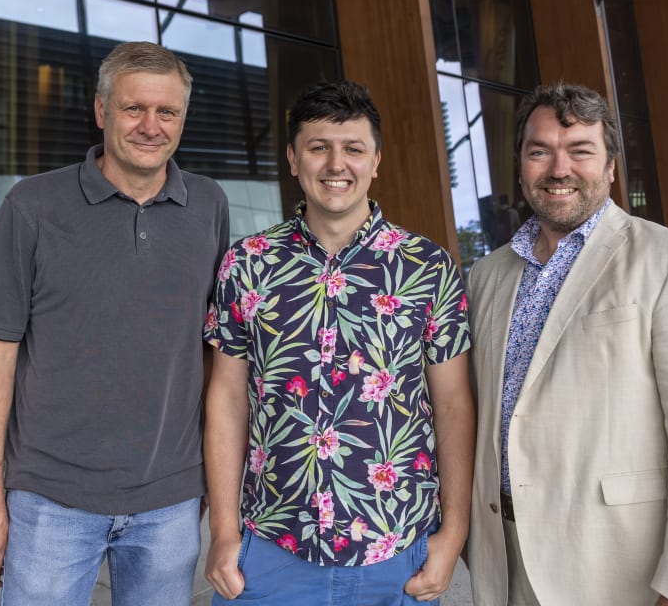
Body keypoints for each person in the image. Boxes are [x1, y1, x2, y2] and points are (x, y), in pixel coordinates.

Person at [465, 82, 668, 606]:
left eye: (580, 151)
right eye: (539, 151)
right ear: (521, 164)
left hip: (618, 569)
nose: (558, 168)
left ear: (611, 167)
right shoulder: (486, 276)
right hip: (505, 562)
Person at [0, 41, 229, 605]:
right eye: (134, 108)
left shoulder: (209, 206)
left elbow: (213, 355)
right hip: (48, 501)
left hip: (170, 502)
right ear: (102, 110)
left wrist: (209, 483)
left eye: (168, 112)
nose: (151, 126)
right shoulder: (32, 206)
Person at [202, 80, 475, 605]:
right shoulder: (247, 264)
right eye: (318, 147)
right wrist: (222, 532)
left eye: (353, 149)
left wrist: (453, 533)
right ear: (292, 158)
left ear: (376, 161)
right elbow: (227, 399)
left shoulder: (427, 267)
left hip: (397, 553)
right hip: (270, 550)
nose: (336, 164)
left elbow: (453, 404)